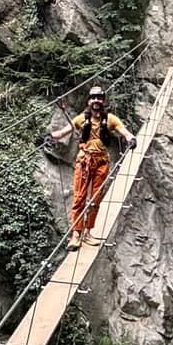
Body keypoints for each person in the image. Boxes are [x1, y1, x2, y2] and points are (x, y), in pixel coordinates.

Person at [43, 86, 138, 247]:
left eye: (99, 98)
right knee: (79, 198)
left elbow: (125, 132)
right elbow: (64, 132)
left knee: (95, 199)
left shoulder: (111, 119)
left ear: (103, 101)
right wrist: (51, 137)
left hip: (102, 162)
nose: (96, 101)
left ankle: (87, 232)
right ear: (89, 101)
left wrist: (131, 139)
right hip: (84, 161)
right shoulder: (81, 119)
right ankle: (76, 234)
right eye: (93, 98)